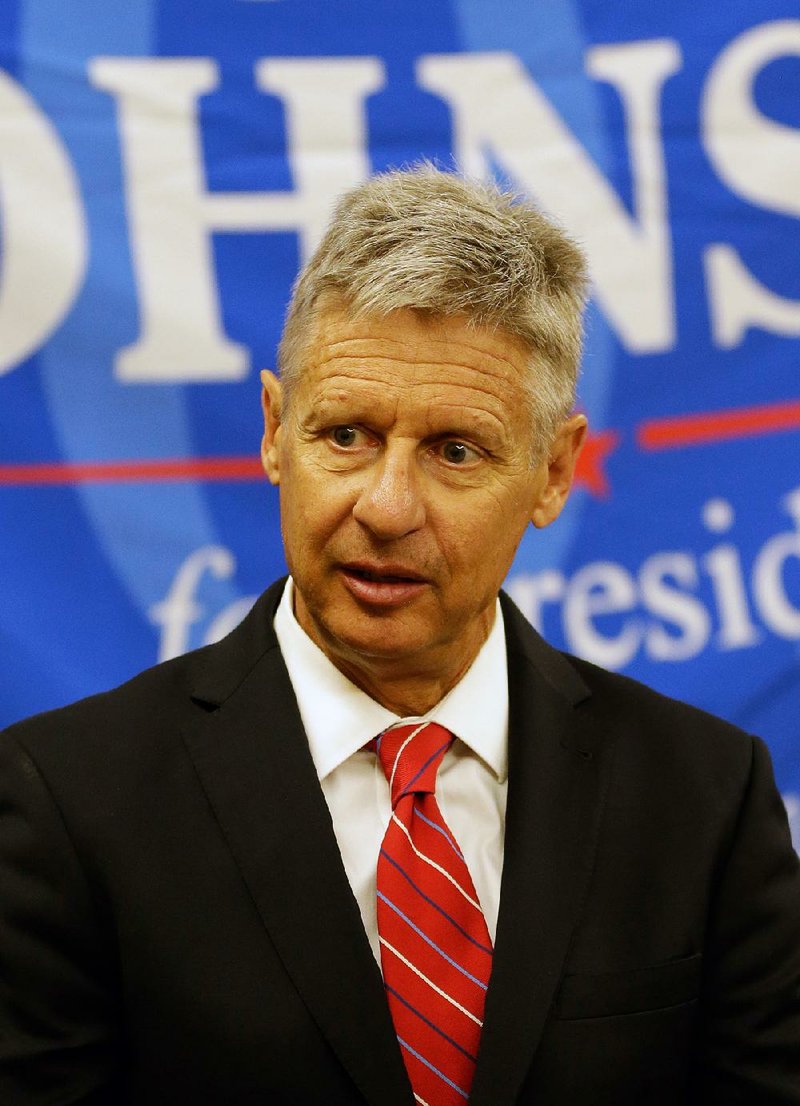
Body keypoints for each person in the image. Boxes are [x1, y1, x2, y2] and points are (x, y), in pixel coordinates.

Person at [1, 167, 799, 1106]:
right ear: (273, 430)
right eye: (345, 435)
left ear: (553, 473)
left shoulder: (703, 795)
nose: (385, 508)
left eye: (456, 451)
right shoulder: (66, 800)